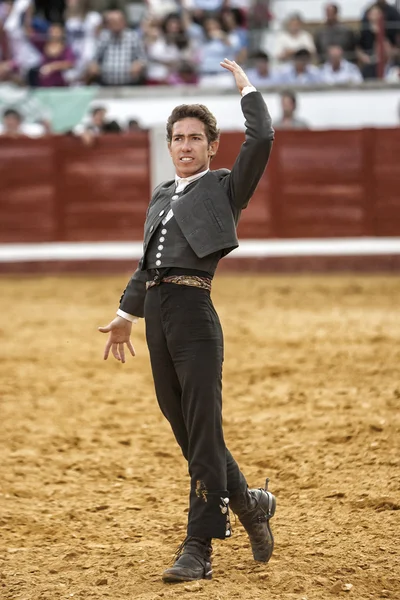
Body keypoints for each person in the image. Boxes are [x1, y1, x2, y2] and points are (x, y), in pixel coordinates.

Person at [99, 58, 276, 583]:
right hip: (157, 316)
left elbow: (261, 139)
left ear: (210, 146)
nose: (184, 146)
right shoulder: (160, 195)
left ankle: (199, 545)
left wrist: (248, 90)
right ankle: (250, 503)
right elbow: (146, 263)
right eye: (177, 137)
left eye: (195, 138)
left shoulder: (225, 187)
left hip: (196, 314)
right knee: (189, 433)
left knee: (202, 434)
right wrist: (125, 313)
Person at [87, 9, 146, 85]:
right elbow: (94, 58)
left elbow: (143, 59)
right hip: (106, 84)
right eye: (112, 22)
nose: (116, 24)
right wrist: (93, 65)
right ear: (108, 24)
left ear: (124, 22)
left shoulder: (133, 37)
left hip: (129, 84)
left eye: (118, 21)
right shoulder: (103, 37)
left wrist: (139, 64)